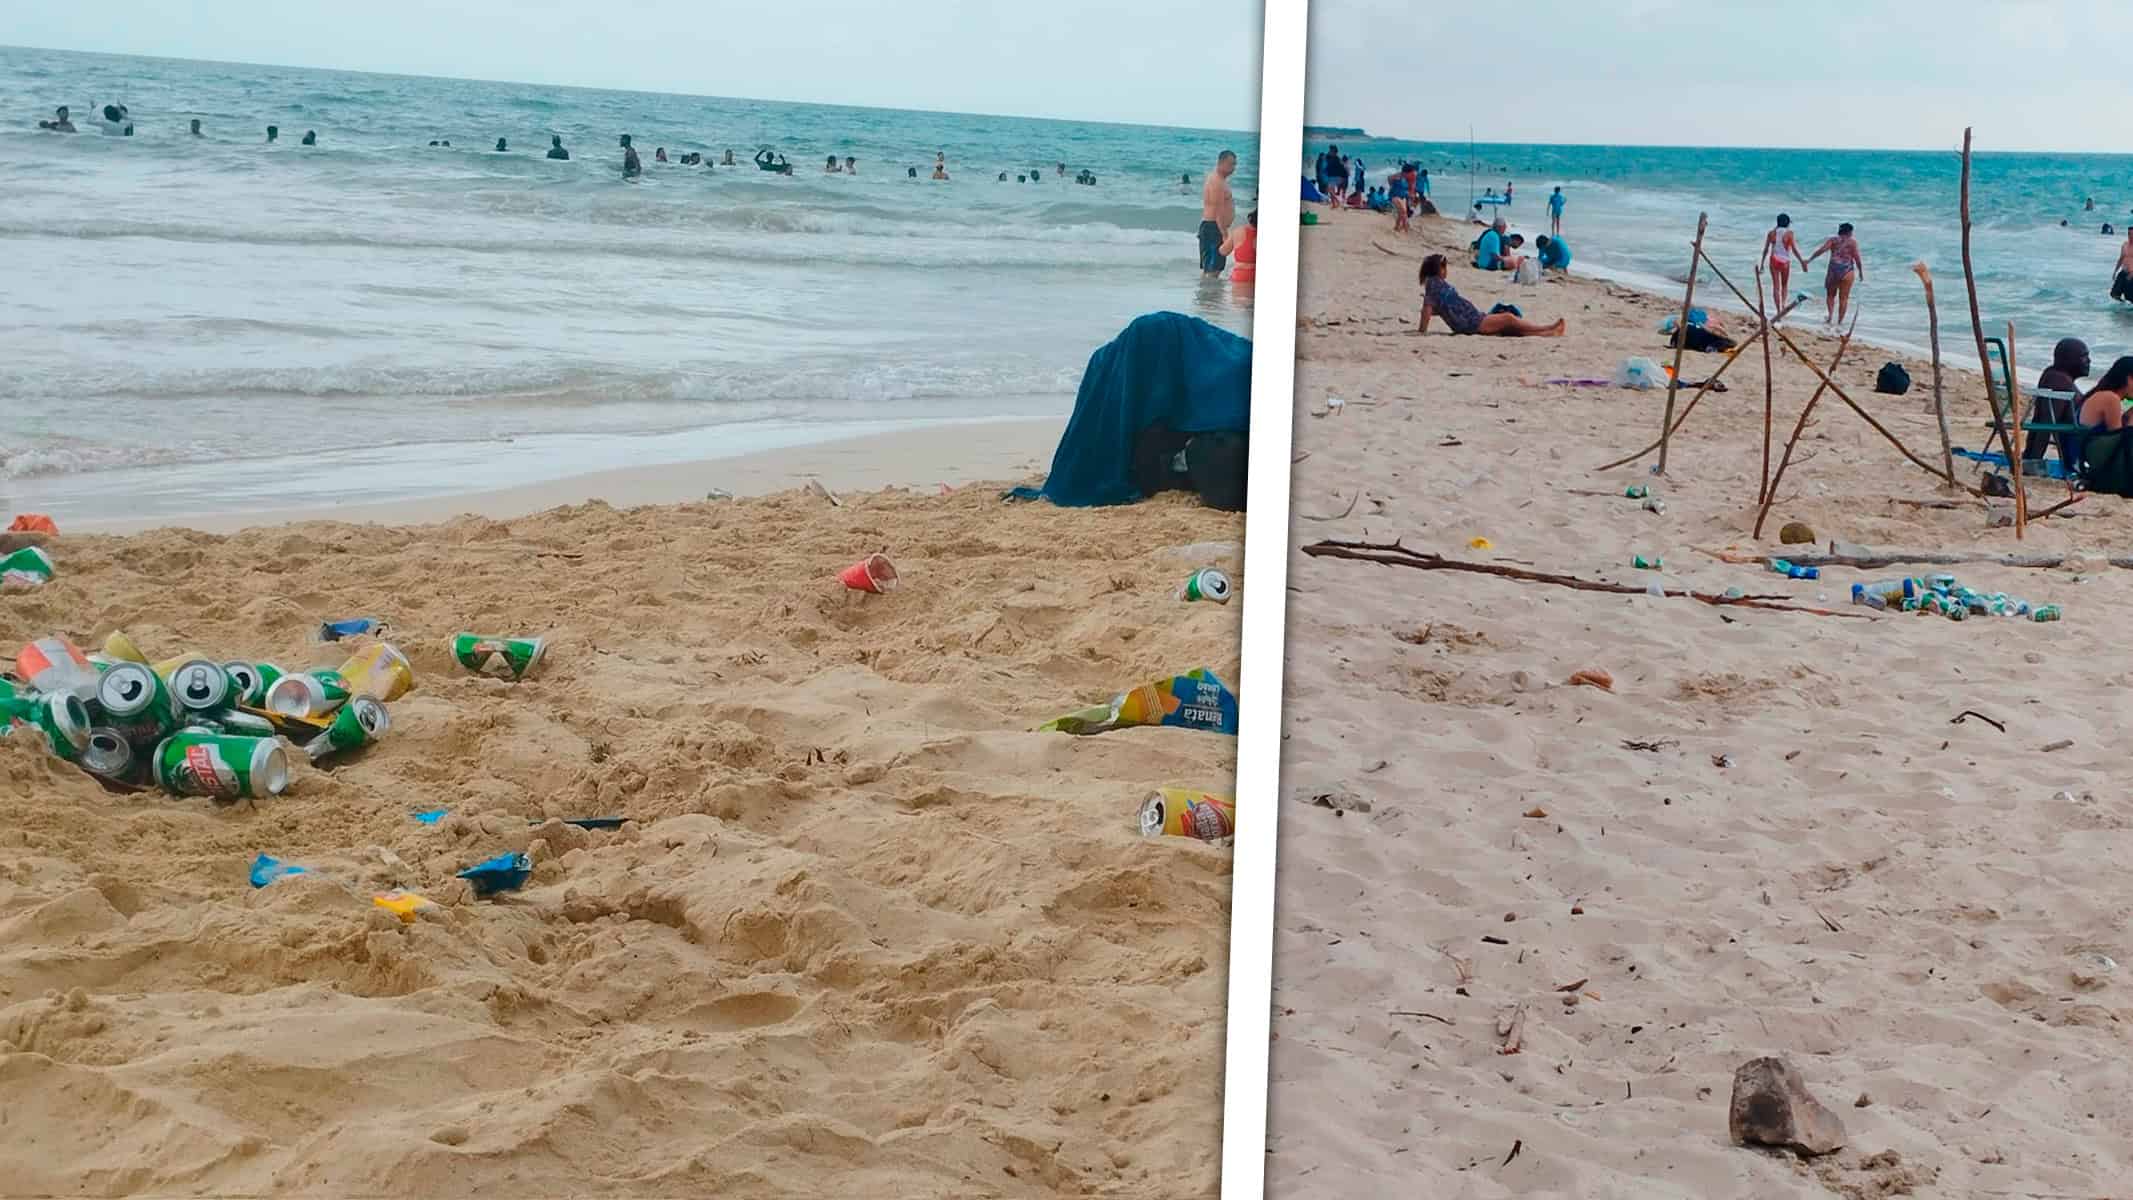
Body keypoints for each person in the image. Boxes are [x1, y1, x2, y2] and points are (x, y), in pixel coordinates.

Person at [1415, 254, 1565, 337]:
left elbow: (1436, 306)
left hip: (1470, 319)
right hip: (1471, 322)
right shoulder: (1433, 286)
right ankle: (1546, 328)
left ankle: (1547, 332)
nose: (1446, 271)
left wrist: (1439, 311)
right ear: (1439, 269)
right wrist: (1422, 330)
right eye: (1444, 268)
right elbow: (1427, 310)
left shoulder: (1434, 284)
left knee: (1508, 328)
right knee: (1509, 318)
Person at [2024, 337, 2091, 462]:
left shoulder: (2055, 375)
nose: (2089, 361)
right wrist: (2033, 460)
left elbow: (2040, 419)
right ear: (2069, 359)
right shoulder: (2058, 379)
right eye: (2083, 356)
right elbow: (2046, 423)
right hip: (2080, 442)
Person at [1806, 221, 1863, 325]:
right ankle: (1839, 322)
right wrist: (1861, 272)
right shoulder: (1852, 242)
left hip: (1833, 270)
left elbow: (1821, 250)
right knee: (1844, 298)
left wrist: (1809, 260)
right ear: (1849, 232)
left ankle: (1830, 317)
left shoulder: (1833, 240)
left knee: (1830, 295)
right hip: (1847, 271)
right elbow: (1857, 258)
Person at [1199, 148, 1238, 276]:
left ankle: (1207, 294)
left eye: (1235, 164)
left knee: (1211, 268)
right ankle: (1209, 295)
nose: (1233, 168)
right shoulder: (1217, 182)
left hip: (1212, 227)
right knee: (1213, 269)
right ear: (1221, 163)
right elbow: (1217, 210)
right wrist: (1224, 234)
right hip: (1214, 228)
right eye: (1231, 164)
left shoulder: (1217, 179)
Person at [2076, 355, 2133, 432]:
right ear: (2129, 379)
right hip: (2091, 443)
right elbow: (2118, 437)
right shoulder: (2110, 398)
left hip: (2087, 441)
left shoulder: (2106, 395)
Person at [1762, 213, 1808, 310]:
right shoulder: (1789, 234)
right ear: (1787, 223)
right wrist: (1802, 262)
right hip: (1785, 262)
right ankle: (1783, 304)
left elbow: (1766, 249)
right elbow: (1794, 250)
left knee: (1776, 286)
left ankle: (1778, 309)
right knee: (1784, 285)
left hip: (1774, 259)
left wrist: (1762, 264)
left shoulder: (1771, 233)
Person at [1219, 207, 1257, 286]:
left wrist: (1224, 235)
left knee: (1239, 299)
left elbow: (1223, 251)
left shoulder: (1238, 231)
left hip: (1240, 275)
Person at [2112, 227, 2133, 303]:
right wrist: (2115, 271)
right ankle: (2123, 305)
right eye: (2129, 234)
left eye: (2132, 234)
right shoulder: (2124, 245)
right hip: (2123, 272)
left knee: (2130, 297)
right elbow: (2121, 259)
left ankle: (2128, 313)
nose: (2130, 236)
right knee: (2114, 294)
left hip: (2131, 275)